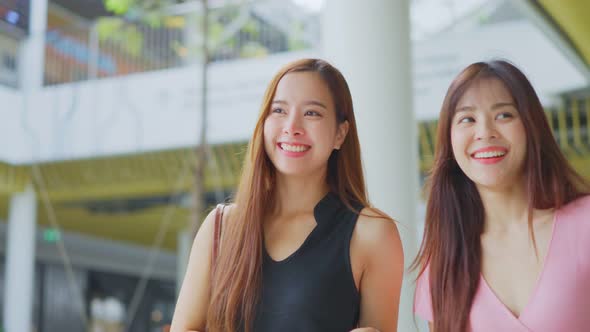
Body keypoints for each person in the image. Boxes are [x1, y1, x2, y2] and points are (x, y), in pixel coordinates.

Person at [170, 58, 404, 332]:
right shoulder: (220, 227)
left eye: (312, 113)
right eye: (279, 110)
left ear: (340, 134)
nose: (292, 126)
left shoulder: (372, 234)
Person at [412, 60, 590, 332]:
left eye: (504, 115)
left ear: (531, 127)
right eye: (467, 119)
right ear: (449, 140)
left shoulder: (585, 223)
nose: (485, 132)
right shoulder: (443, 260)